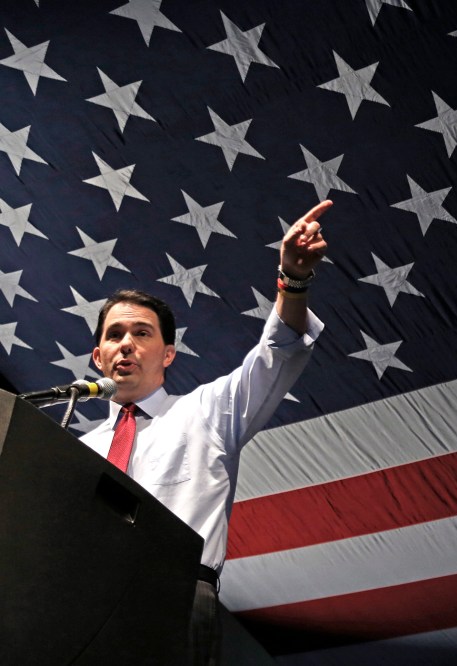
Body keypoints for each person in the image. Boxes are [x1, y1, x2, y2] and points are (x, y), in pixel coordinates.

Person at [79, 200, 332, 664]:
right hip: (84, 602)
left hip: (174, 593)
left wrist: (293, 281)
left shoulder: (207, 412)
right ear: (98, 358)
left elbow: (279, 353)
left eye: (142, 333)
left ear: (168, 355)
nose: (126, 345)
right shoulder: (78, 450)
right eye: (115, 335)